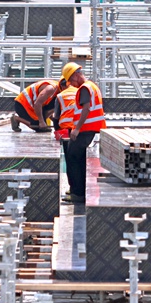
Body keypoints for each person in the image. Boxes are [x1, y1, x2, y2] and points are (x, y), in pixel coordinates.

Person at [58, 62, 106, 204]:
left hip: (85, 130)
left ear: (76, 75)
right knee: (77, 159)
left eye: (71, 80)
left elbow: (86, 109)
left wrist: (77, 128)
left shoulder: (85, 88)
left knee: (74, 158)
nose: (71, 84)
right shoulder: (92, 86)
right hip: (90, 129)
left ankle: (78, 193)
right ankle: (76, 189)